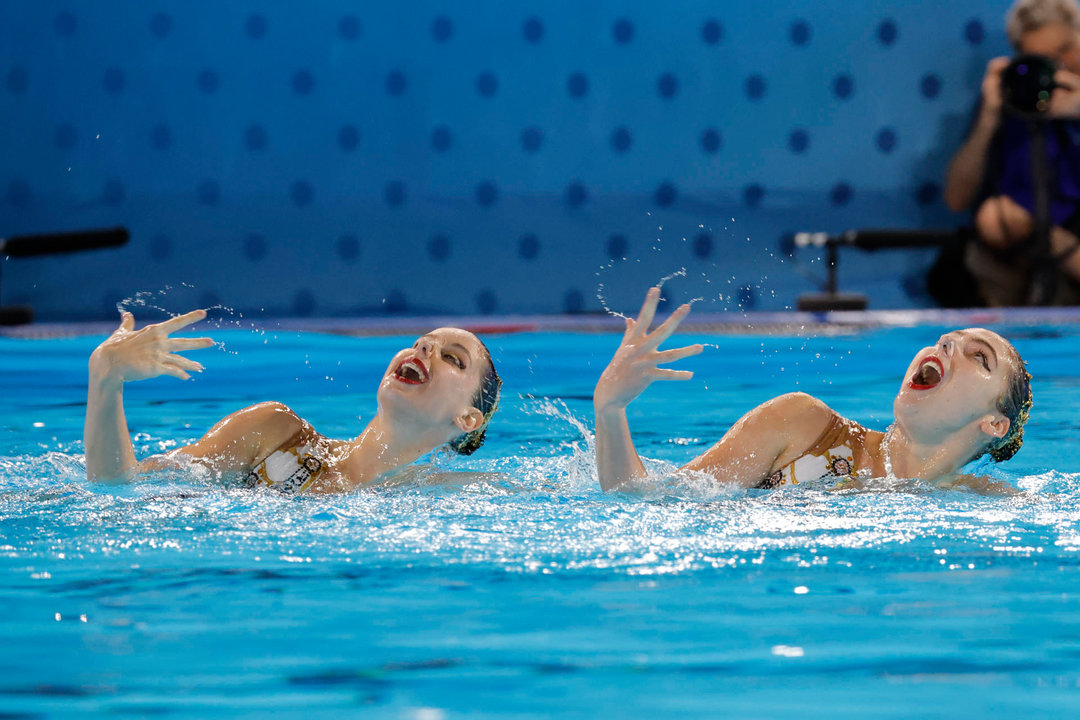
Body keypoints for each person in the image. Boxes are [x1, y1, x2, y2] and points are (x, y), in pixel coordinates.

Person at [593, 288, 1033, 493]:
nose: (948, 344)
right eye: (947, 339)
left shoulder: (983, 505)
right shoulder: (801, 424)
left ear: (994, 424)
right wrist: (611, 410)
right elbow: (647, 502)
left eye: (980, 358)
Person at [84, 309, 501, 493]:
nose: (426, 349)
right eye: (422, 342)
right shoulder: (275, 433)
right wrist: (106, 378)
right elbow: (120, 486)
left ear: (467, 419)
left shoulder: (434, 498)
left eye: (452, 359)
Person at [944, 0, 1080, 305]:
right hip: (1017, 263)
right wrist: (990, 116)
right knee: (996, 219)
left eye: (1066, 49)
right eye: (1044, 60)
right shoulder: (1013, 101)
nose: (1059, 67)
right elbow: (956, 199)